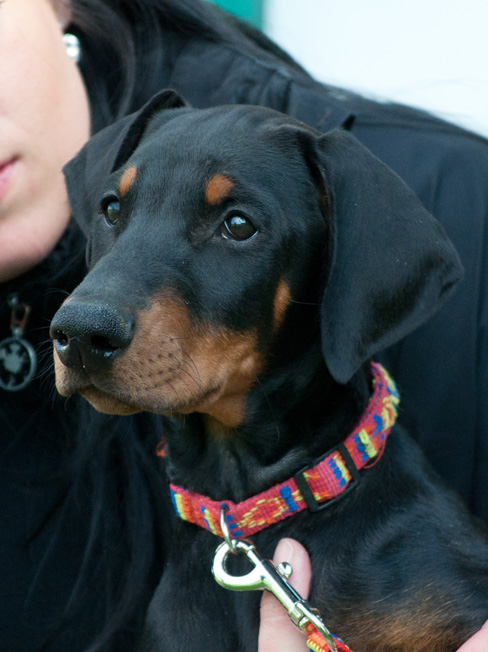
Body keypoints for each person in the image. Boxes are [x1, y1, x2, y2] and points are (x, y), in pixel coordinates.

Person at [0, 0, 486, 650]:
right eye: (116, 209)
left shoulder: (425, 590)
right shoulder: (176, 609)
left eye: (236, 225)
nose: (89, 314)